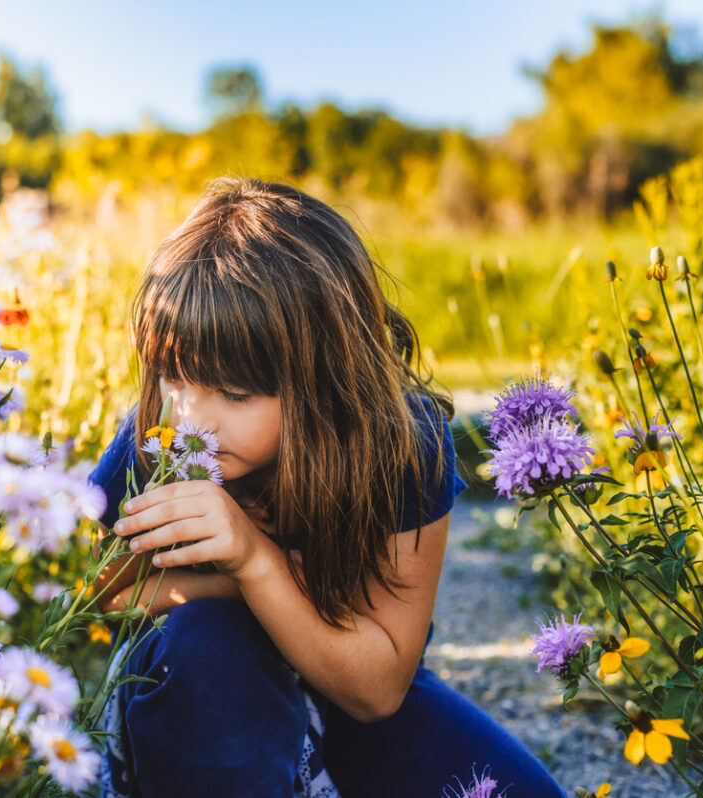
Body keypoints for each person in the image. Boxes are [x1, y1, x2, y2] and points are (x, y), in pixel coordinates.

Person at [88, 178, 564, 798]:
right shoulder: (159, 438)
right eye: (174, 378)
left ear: (324, 379)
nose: (191, 419)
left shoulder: (401, 445)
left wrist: (259, 561)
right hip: (202, 684)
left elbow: (379, 689)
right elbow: (105, 595)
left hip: (345, 682)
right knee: (208, 651)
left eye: (234, 394)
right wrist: (237, 579)